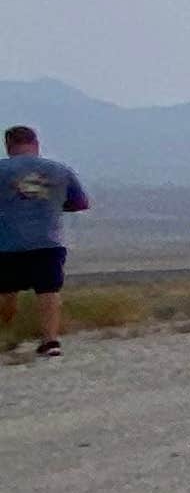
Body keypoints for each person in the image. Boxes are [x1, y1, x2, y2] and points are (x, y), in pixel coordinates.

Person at [1, 126, 90, 360]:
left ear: (8, 146)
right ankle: (50, 341)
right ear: (36, 144)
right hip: (49, 240)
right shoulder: (59, 170)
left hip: (8, 242)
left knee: (6, 291)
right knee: (48, 290)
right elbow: (79, 203)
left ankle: (5, 335)